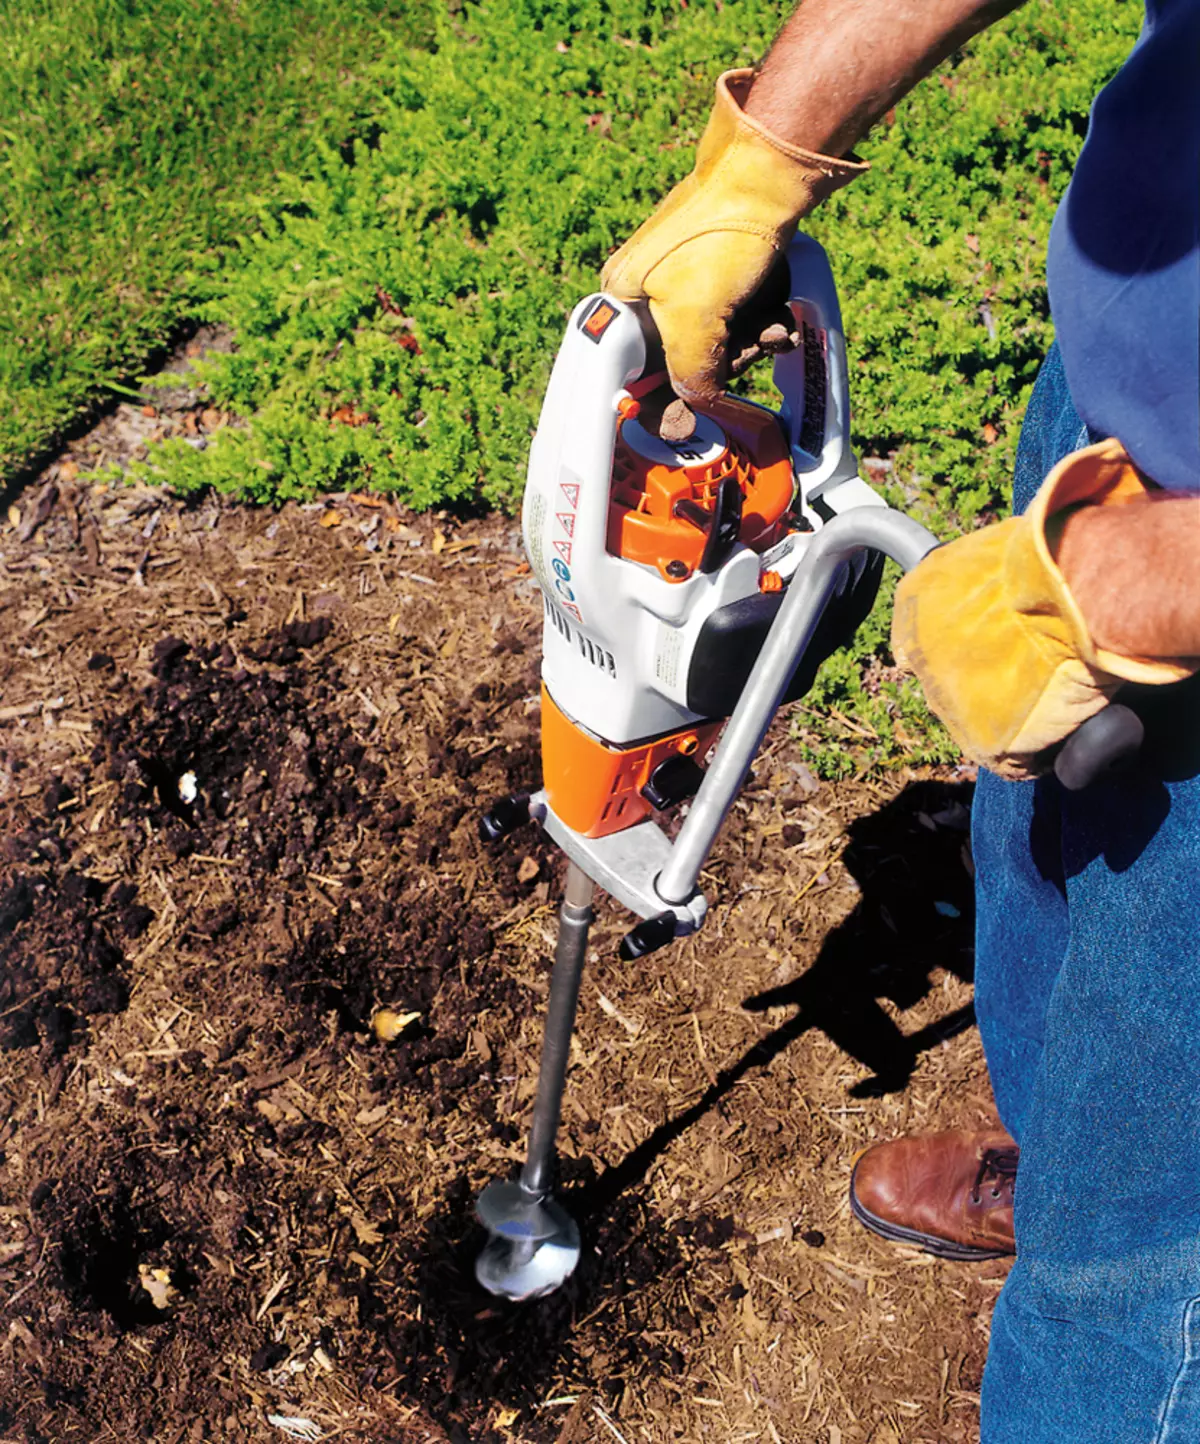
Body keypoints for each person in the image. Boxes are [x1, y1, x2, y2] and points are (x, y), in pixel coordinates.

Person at [600, 0, 1200, 1436]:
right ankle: (1062, 1169)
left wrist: (1150, 573)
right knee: (1034, 866)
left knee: (1145, 1249)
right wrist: (766, 153)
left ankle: (1114, 1283)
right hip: (1128, 409)